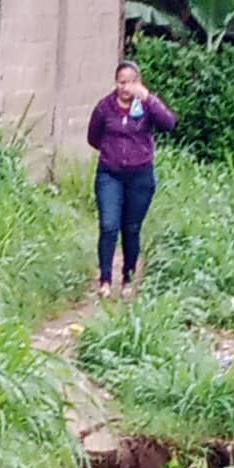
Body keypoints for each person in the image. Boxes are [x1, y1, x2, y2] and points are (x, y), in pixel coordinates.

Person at [87, 61, 176, 298]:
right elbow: (93, 137)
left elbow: (168, 124)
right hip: (110, 174)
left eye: (130, 82)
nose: (125, 87)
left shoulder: (146, 106)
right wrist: (113, 152)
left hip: (140, 176)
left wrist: (149, 99)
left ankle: (127, 276)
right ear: (115, 83)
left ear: (139, 82)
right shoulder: (104, 108)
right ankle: (105, 280)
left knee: (132, 227)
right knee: (109, 225)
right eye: (121, 82)